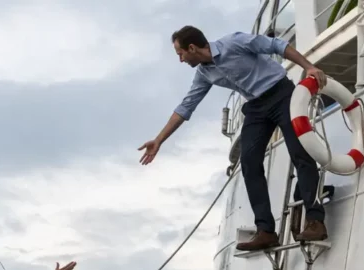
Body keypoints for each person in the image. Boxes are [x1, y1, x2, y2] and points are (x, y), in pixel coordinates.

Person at [139, 26, 330, 251]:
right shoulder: (204, 73)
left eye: (180, 54)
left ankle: (315, 221)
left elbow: (276, 45)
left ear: (192, 48)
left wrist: (308, 67)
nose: (180, 59)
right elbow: (186, 107)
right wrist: (159, 140)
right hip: (256, 108)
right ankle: (266, 231)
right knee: (248, 162)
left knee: (300, 152)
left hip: (280, 94)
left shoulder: (234, 42)